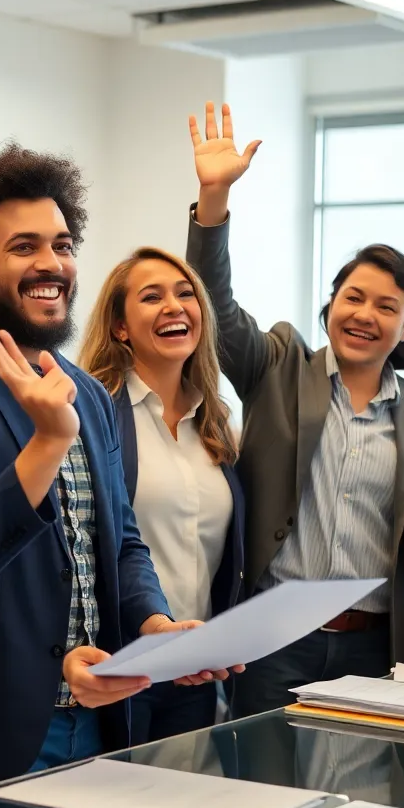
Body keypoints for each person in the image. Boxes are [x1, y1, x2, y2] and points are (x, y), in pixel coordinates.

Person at [0, 143, 238, 792]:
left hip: (98, 717)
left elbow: (119, 540)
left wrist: (154, 623)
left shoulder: (88, 393)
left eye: (62, 245)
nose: (52, 265)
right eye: (25, 247)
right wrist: (46, 441)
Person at [183, 102, 404, 717]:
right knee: (264, 796)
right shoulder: (277, 366)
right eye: (353, 297)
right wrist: (213, 200)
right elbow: (215, 305)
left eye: (387, 307)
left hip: (376, 648)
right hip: (274, 641)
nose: (365, 314)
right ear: (329, 305)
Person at [78, 247, 246, 742]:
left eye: (185, 294)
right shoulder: (97, 415)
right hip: (123, 665)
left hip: (198, 670)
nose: (174, 306)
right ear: (120, 327)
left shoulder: (215, 422)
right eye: (152, 297)